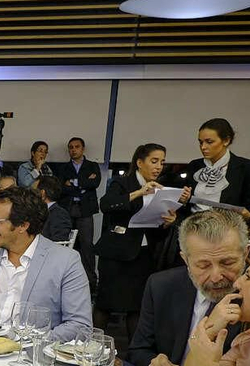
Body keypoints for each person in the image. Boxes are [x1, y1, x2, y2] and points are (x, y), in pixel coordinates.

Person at [128, 209, 249, 366]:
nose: (216, 276)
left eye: (227, 263)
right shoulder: (162, 286)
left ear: (245, 254)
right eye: (203, 265)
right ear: (185, 260)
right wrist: (154, 365)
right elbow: (138, 350)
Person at [0, 186, 91, 341]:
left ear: (23, 225)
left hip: (32, 356)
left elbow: (79, 325)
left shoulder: (66, 261)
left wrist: (30, 342)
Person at [98, 143, 170, 345]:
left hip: (143, 254)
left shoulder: (161, 189)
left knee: (136, 306)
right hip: (116, 253)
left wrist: (168, 222)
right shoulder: (122, 183)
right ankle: (91, 346)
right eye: (154, 161)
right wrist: (139, 192)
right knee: (105, 304)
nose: (158, 167)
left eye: (162, 162)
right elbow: (106, 205)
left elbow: (156, 225)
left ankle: (135, 353)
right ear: (140, 163)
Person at [174, 117, 250, 224]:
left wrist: (249, 216)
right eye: (200, 142)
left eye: (209, 142)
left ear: (226, 140)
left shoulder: (245, 167)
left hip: (226, 230)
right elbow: (183, 206)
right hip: (193, 228)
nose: (203, 147)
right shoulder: (194, 165)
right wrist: (183, 201)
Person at [58, 137, 101, 282]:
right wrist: (83, 185)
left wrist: (73, 183)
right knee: (66, 244)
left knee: (86, 245)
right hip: (67, 209)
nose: (73, 150)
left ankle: (90, 280)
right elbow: (61, 189)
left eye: (76, 147)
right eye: (71, 147)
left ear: (83, 149)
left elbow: (95, 182)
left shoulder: (92, 165)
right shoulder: (63, 168)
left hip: (85, 210)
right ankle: (65, 278)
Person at [35, 175, 73, 242]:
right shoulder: (37, 212)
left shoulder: (59, 214)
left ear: (42, 193)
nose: (32, 195)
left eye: (35, 191)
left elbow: (59, 241)